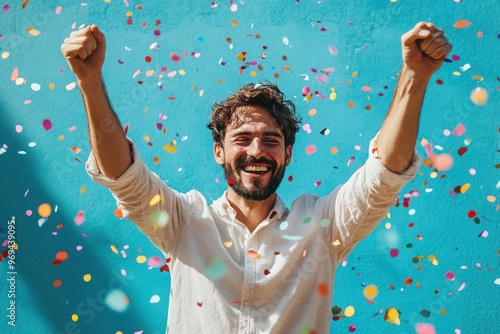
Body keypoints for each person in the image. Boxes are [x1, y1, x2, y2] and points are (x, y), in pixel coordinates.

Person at [61, 21, 451, 333]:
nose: (256, 151)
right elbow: (124, 177)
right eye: (242, 139)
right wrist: (89, 82)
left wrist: (414, 76)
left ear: (288, 154)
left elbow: (383, 176)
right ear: (219, 152)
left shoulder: (320, 227)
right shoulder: (184, 223)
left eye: (271, 140)